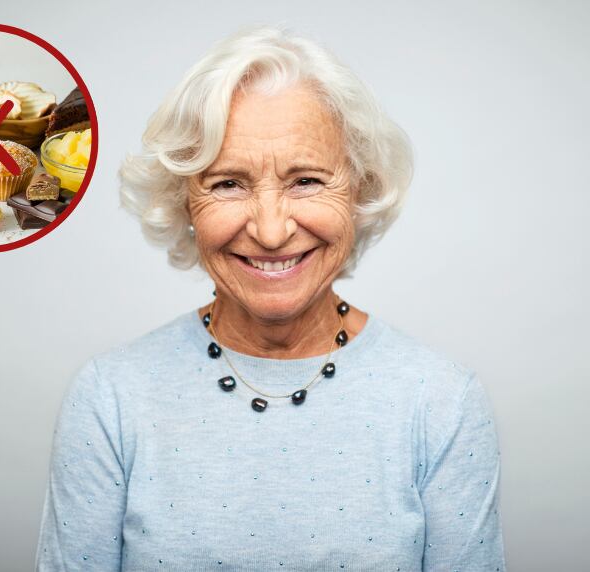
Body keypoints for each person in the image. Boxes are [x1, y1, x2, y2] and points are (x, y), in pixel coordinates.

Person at [35, 26, 506, 571]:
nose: (271, 230)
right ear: (183, 202)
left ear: (360, 189)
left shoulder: (441, 402)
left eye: (305, 180)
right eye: (228, 183)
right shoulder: (109, 399)